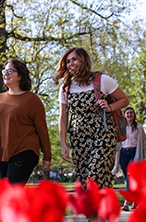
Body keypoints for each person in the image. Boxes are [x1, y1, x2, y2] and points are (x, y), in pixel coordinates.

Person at [55, 47, 129, 189]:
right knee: (86, 180)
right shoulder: (66, 87)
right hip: (78, 139)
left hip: (103, 136)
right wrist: (63, 144)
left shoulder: (102, 80)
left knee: (94, 175)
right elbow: (63, 118)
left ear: (84, 60)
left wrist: (109, 107)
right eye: (68, 61)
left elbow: (124, 100)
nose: (71, 64)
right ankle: (102, 208)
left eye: (74, 59)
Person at [0, 58, 51, 185]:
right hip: (4, 153)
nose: (6, 73)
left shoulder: (32, 99)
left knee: (11, 190)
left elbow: (42, 129)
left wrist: (47, 155)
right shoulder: (0, 98)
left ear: (20, 75)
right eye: (4, 71)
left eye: (10, 70)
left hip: (25, 150)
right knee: (7, 194)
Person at [112, 107, 146, 211]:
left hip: (134, 153)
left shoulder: (139, 128)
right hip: (123, 153)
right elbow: (117, 141)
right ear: (124, 115)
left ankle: (126, 203)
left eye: (131, 113)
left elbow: (144, 143)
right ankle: (135, 201)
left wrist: (144, 157)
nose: (129, 115)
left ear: (134, 115)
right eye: (127, 113)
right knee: (129, 179)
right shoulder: (122, 127)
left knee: (130, 177)